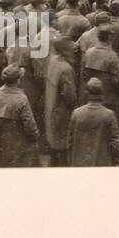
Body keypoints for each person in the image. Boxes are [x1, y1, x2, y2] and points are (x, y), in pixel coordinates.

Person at [0, 64, 40, 168]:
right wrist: (35, 136)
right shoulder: (21, 99)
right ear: (18, 80)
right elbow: (30, 128)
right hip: (17, 149)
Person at [68, 78, 119, 166]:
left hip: (80, 167)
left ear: (87, 93)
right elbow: (116, 144)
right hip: (102, 167)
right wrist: (115, 161)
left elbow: (70, 143)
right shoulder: (109, 115)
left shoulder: (76, 114)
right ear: (102, 94)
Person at [43, 36, 79, 167]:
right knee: (64, 146)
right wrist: (74, 107)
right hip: (63, 110)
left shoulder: (52, 61)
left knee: (55, 142)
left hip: (52, 108)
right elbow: (70, 95)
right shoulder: (66, 68)